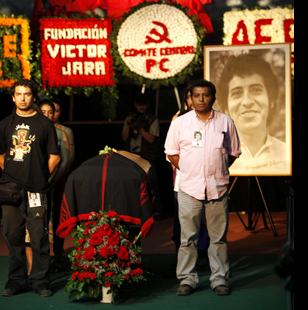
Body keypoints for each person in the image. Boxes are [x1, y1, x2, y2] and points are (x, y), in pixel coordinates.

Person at [164, 79, 241, 297]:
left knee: (218, 238)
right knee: (187, 238)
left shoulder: (225, 121)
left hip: (218, 189)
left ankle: (219, 279)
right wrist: (190, 171)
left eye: (206, 95)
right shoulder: (180, 123)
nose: (201, 99)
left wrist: (218, 170)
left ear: (213, 98)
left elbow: (233, 152)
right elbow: (171, 152)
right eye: (196, 95)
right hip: (189, 189)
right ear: (190, 98)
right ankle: (187, 279)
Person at [0, 79, 61, 298]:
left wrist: (38, 178)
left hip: (37, 190)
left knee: (39, 237)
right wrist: (15, 176)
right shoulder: (5, 124)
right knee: (12, 236)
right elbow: (0, 155)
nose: (22, 98)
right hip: (10, 189)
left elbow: (54, 157)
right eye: (18, 94)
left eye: (27, 94)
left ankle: (40, 281)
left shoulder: (44, 123)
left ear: (34, 97)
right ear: (13, 97)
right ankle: (16, 281)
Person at [217, 54, 286, 173]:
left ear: (271, 101)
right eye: (237, 93)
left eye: (256, 90)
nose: (247, 102)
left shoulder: (286, 153)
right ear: (226, 108)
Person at [38, 98, 71, 273]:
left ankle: (58, 255)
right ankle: (39, 261)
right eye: (43, 112)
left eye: (51, 112)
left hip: (55, 181)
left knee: (57, 217)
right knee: (37, 220)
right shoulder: (33, 131)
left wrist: (51, 181)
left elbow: (65, 161)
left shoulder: (61, 133)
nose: (47, 115)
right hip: (36, 184)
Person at [122, 92, 163, 219]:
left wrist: (140, 128)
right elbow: (124, 138)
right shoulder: (129, 119)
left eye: (144, 104)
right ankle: (133, 211)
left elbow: (151, 139)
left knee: (152, 183)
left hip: (147, 157)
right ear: (135, 105)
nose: (141, 107)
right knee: (132, 184)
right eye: (139, 105)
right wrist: (130, 125)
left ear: (148, 105)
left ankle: (157, 210)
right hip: (131, 156)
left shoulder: (152, 120)